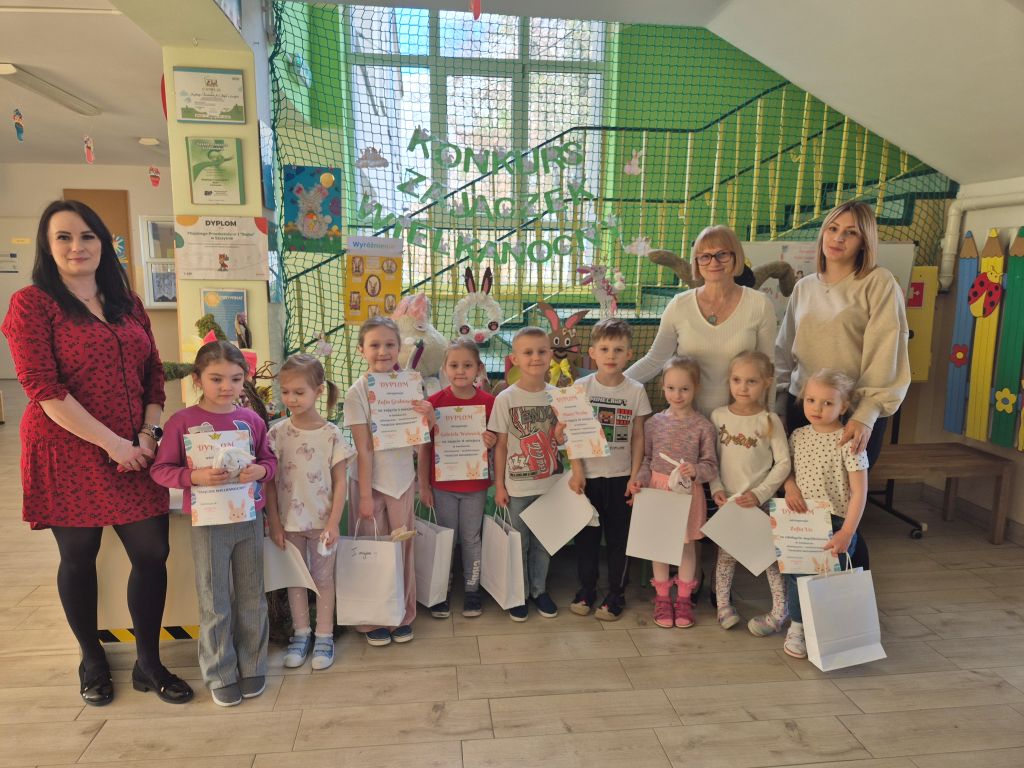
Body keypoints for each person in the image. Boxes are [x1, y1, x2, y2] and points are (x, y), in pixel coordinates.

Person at [1, 200, 193, 707]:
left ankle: (149, 663)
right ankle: (91, 658)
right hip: (67, 450)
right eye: (63, 237)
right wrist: (113, 445)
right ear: (47, 246)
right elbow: (42, 388)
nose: (77, 246)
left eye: (87, 236)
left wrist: (148, 434)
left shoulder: (126, 302)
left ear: (104, 243)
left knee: (152, 553)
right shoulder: (32, 304)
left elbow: (153, 373)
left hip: (136, 449)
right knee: (78, 556)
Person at [775, 201, 910, 568]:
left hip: (853, 416)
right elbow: (783, 353)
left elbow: (888, 355)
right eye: (833, 229)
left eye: (850, 233)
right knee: (801, 508)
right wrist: (779, 407)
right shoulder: (804, 287)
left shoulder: (878, 283)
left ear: (865, 242)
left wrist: (865, 414)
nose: (838, 239)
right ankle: (803, 597)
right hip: (803, 408)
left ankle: (852, 590)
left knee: (843, 512)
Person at [150, 341, 277, 706]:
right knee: (214, 599)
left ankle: (253, 664)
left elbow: (270, 462)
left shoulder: (251, 420)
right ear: (198, 379)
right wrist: (195, 477)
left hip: (248, 520)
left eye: (235, 379)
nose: (226, 386)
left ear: (244, 379)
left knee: (252, 596)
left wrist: (260, 471)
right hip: (207, 524)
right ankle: (220, 671)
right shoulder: (182, 422)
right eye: (216, 378)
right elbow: (160, 470)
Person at [344, 316, 435, 646]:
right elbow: (364, 449)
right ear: (361, 350)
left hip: (401, 480)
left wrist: (429, 416)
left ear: (399, 348)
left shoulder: (410, 385)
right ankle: (372, 619)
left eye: (390, 344)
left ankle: (402, 614)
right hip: (368, 484)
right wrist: (365, 496)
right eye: (375, 345)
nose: (383, 351)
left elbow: (420, 437)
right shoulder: (357, 393)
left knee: (402, 547)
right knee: (373, 549)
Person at [626, 225, 776, 415]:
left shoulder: (760, 304)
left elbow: (769, 367)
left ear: (736, 256)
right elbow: (654, 361)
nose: (713, 262)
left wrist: (771, 416)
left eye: (722, 254)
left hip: (741, 422)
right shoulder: (679, 305)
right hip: (688, 422)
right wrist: (609, 386)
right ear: (696, 262)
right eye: (705, 256)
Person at [489, 326, 585, 621]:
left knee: (544, 543)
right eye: (528, 352)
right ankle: (518, 593)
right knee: (519, 543)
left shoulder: (559, 396)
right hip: (517, 487)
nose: (535, 357)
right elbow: (500, 446)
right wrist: (499, 485)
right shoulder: (506, 398)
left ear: (550, 355)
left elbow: (564, 440)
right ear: (514, 359)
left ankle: (539, 590)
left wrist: (562, 440)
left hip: (551, 485)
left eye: (541, 351)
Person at [265, 354, 353, 670]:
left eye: (299, 392)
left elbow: (341, 481)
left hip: (322, 523)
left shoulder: (332, 434)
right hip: (289, 524)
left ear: (318, 391)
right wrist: (275, 523)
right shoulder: (276, 434)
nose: (291, 399)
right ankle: (301, 634)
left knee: (323, 579)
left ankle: (324, 636)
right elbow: (270, 484)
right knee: (296, 580)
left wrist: (334, 523)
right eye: (286, 392)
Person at [780, 369, 869, 659]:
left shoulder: (849, 440)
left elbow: (859, 491)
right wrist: (790, 486)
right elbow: (786, 469)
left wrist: (847, 532)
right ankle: (797, 626)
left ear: (844, 407)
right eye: (811, 400)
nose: (816, 408)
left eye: (827, 403)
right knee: (796, 576)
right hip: (801, 520)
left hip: (835, 523)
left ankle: (826, 631)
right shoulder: (798, 436)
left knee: (828, 580)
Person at [568, 318, 651, 621]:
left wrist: (634, 475)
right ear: (592, 353)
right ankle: (586, 589)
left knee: (619, 539)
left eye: (618, 349)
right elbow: (573, 432)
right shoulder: (580, 387)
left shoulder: (636, 391)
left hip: (621, 478)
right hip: (588, 478)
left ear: (629, 354)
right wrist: (577, 471)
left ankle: (616, 593)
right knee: (587, 539)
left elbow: (639, 436)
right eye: (604, 349)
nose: (611, 355)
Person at [629, 356, 718, 628]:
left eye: (684, 389)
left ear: (696, 388)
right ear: (662, 387)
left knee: (686, 546)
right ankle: (662, 598)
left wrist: (696, 470)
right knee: (660, 546)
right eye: (671, 388)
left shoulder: (703, 426)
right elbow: (647, 459)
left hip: (686, 495)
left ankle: (683, 599)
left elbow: (711, 466)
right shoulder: (653, 423)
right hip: (657, 492)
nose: (677, 395)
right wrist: (639, 481)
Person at [709, 351, 790, 635]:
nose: (743, 387)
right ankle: (723, 606)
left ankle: (780, 610)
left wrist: (760, 494)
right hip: (729, 504)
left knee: (769, 558)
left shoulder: (770, 420)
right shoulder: (718, 416)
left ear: (767, 382)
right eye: (737, 380)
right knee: (726, 557)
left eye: (751, 381)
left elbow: (783, 463)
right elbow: (711, 460)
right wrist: (716, 489)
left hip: (759, 504)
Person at [418, 339, 496, 619]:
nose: (460, 371)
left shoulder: (489, 403)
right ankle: (442, 590)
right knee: (446, 539)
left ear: (478, 368)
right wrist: (423, 485)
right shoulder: (433, 404)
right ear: (444, 368)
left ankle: (472, 590)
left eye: (467, 365)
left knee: (471, 537)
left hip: (475, 485)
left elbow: (497, 443)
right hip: (442, 486)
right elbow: (425, 448)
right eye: (454, 365)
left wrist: (492, 441)